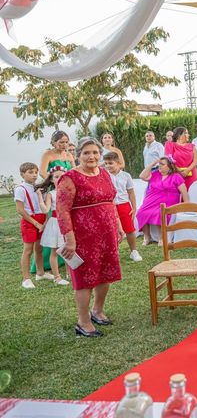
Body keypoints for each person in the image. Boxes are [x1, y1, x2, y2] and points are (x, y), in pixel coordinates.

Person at [57, 137, 125, 338]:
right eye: (86, 153)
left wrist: (119, 226)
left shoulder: (104, 173)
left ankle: (97, 310)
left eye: (95, 152)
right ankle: (83, 321)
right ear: (78, 155)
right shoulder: (70, 178)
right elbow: (62, 211)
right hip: (82, 237)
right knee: (85, 278)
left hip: (107, 233)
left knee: (106, 273)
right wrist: (70, 239)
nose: (92, 156)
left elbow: (111, 202)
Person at [136, 157, 189, 246]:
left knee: (160, 213)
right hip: (151, 201)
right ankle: (147, 237)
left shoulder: (176, 176)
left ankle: (161, 238)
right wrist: (152, 164)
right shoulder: (154, 174)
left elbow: (184, 191)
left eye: (162, 164)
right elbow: (142, 176)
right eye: (159, 164)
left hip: (168, 203)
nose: (159, 166)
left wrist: (187, 205)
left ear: (169, 166)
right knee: (141, 212)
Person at [15, 162, 51, 289]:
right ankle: (26, 279)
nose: (34, 175)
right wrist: (35, 223)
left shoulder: (38, 188)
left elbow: (44, 206)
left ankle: (40, 273)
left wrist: (44, 221)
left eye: (35, 172)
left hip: (41, 219)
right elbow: (20, 210)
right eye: (30, 172)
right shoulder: (21, 189)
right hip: (30, 221)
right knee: (28, 250)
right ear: (22, 174)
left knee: (39, 248)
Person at [103, 152, 141, 262]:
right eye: (106, 164)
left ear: (119, 163)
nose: (108, 166)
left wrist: (134, 207)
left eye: (110, 163)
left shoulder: (126, 176)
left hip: (124, 205)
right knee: (112, 230)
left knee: (129, 229)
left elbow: (131, 193)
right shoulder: (104, 176)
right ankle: (114, 252)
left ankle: (134, 251)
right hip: (110, 206)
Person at [36, 166, 70, 285]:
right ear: (51, 179)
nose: (60, 179)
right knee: (55, 251)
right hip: (56, 223)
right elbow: (46, 210)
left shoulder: (69, 191)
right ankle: (57, 277)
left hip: (68, 223)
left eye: (62, 176)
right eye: (56, 177)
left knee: (68, 248)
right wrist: (40, 197)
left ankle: (69, 273)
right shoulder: (51, 194)